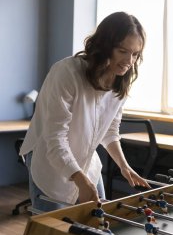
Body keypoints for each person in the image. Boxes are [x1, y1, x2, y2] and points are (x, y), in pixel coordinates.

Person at [19, 12, 150, 212]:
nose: (129, 61)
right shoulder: (67, 72)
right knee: (54, 234)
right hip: (50, 161)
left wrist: (124, 166)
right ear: (105, 45)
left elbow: (109, 131)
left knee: (98, 226)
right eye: (123, 51)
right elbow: (55, 139)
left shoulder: (119, 81)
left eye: (135, 54)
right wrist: (80, 180)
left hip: (87, 162)